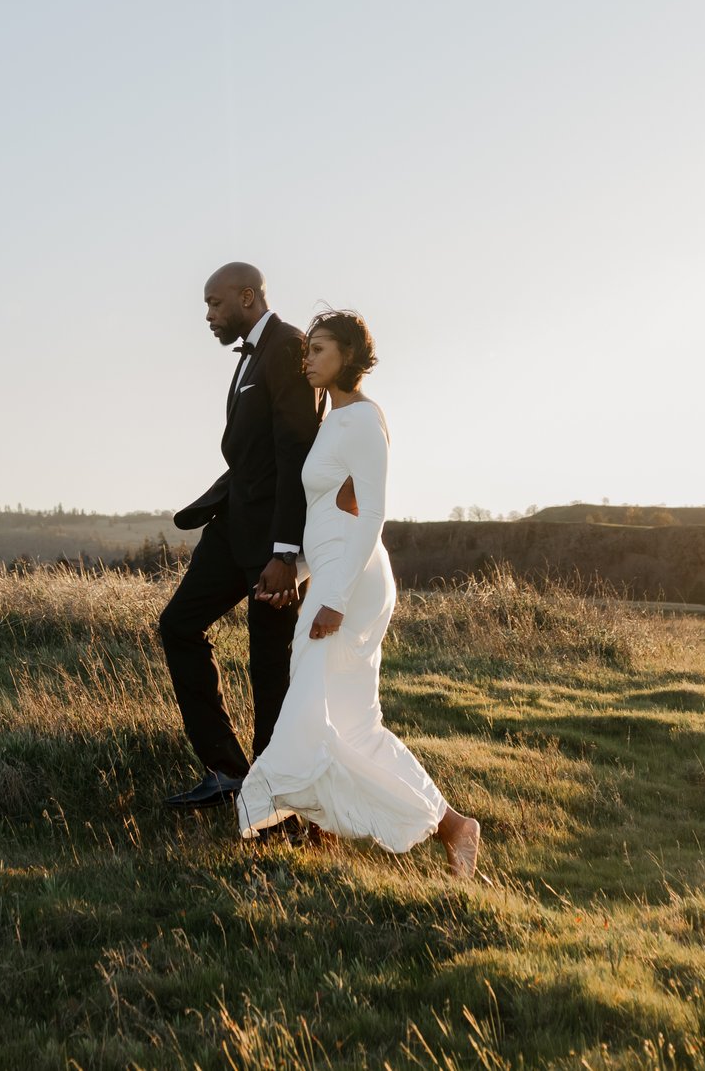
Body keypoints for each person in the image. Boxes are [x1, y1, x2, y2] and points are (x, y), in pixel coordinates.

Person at [236, 309, 482, 877]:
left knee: (312, 707)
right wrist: (295, 575)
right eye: (308, 349)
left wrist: (336, 597)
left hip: (356, 582)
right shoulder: (332, 421)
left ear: (348, 354)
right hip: (330, 574)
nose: (308, 358)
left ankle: (276, 815)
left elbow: (371, 513)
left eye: (319, 349)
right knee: (352, 724)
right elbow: (327, 513)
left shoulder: (365, 420)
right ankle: (453, 826)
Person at [155, 262, 319, 812]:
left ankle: (271, 797)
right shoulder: (253, 353)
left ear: (247, 297)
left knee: (268, 666)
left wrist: (286, 554)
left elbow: (295, 454)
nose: (208, 315)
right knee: (178, 625)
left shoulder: (289, 348)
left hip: (271, 542)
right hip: (232, 529)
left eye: (214, 304)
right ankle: (226, 771)